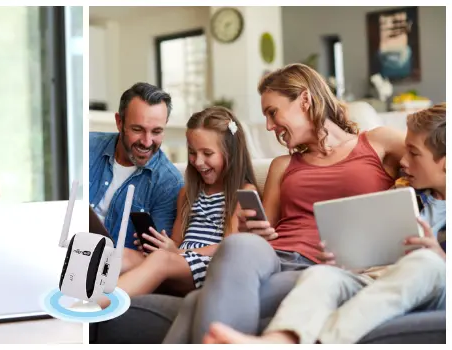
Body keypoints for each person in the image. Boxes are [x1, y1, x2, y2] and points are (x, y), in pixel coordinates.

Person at [164, 63, 407, 343]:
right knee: (239, 243)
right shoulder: (282, 166)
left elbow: (435, 159)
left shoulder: (378, 143)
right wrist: (249, 227)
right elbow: (263, 229)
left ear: (304, 100)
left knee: (197, 301)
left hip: (320, 265)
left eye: (272, 112)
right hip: (273, 256)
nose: (269, 126)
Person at [204, 103, 446, 344]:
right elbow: (377, 248)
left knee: (427, 263)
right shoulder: (405, 193)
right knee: (322, 275)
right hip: (375, 278)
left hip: (435, 286)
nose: (403, 160)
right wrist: (347, 258)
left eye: (413, 153)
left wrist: (441, 259)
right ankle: (278, 341)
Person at [96, 107, 259, 309]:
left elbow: (227, 247)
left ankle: (97, 306)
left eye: (207, 153)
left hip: (210, 266)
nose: (198, 162)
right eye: (192, 152)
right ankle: (78, 291)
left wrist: (176, 253)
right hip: (178, 263)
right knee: (125, 255)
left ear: (232, 153)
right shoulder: (187, 193)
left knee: (161, 260)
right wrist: (158, 244)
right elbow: (176, 242)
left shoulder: (242, 192)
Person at [89, 82, 183, 272]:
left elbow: (154, 261)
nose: (147, 142)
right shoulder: (87, 147)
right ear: (119, 122)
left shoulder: (168, 183)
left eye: (156, 131)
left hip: (111, 272)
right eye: (138, 129)